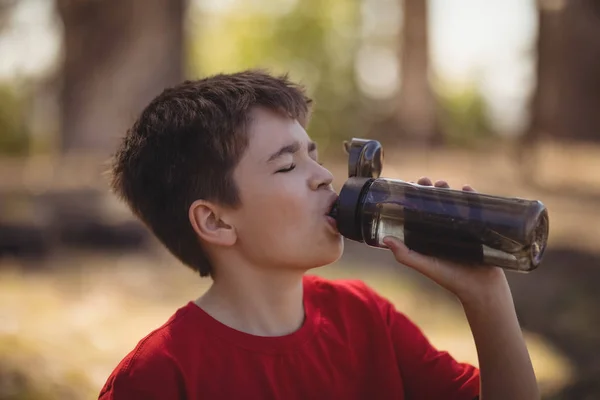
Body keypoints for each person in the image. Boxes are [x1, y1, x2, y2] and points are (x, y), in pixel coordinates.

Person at [99, 70, 539, 400]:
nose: (325, 176)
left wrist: (485, 295)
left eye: (314, 155)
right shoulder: (158, 376)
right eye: (287, 165)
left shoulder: (366, 318)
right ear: (216, 222)